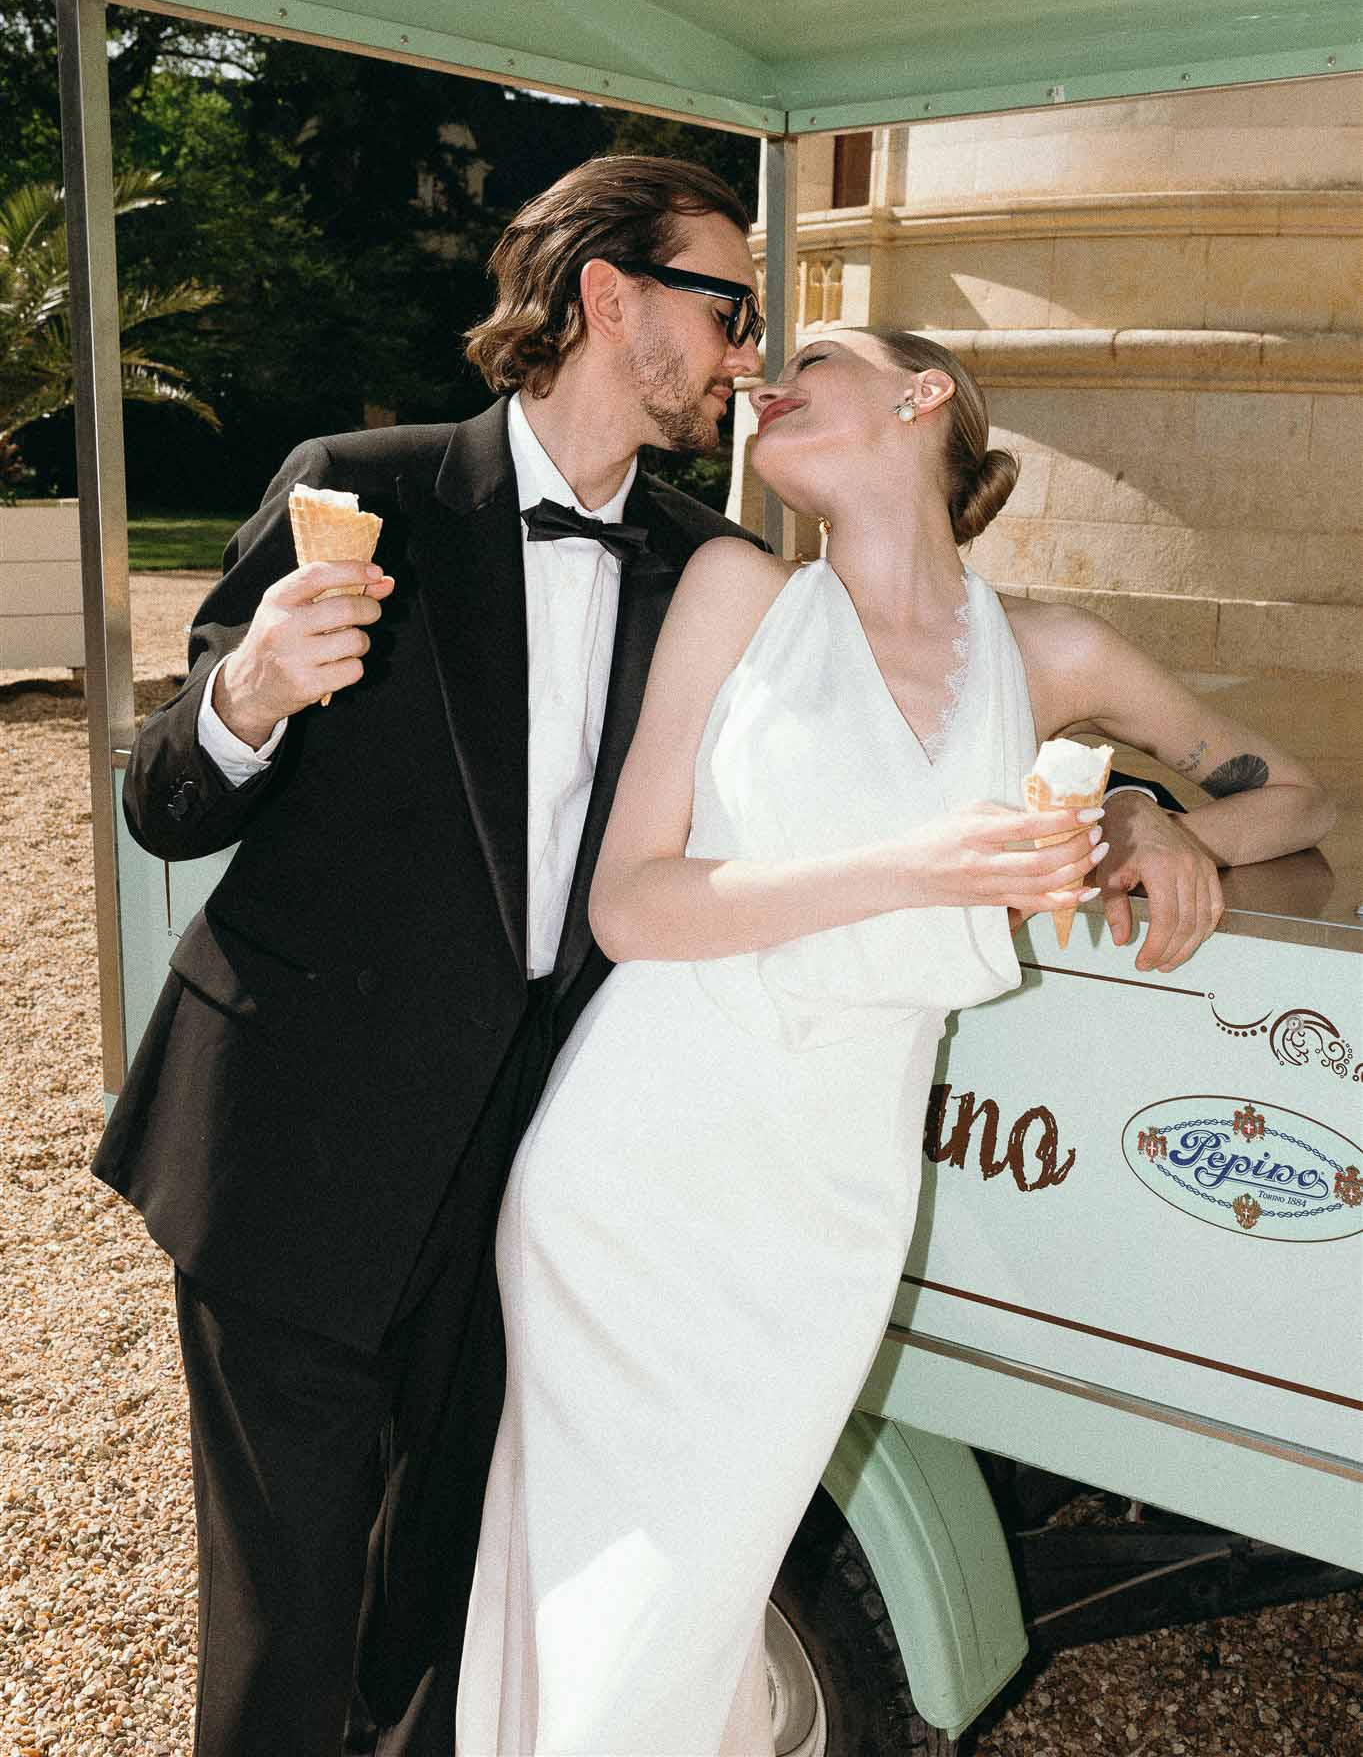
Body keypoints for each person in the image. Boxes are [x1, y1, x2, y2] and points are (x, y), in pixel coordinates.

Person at [92, 146, 1200, 1755]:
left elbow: (940, 695)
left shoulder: (705, 571)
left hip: (536, 1186)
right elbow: (163, 803)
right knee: (284, 1635)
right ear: (612, 298)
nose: (751, 354)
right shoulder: (366, 484)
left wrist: (1141, 809)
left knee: (443, 1622)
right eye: (730, 306)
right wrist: (248, 691)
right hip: (299, 1156)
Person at [455, 328, 1334, 1757]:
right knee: (625, 1606)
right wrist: (920, 868)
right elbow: (633, 902)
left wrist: (1158, 823)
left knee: (706, 1592)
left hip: (834, 1195)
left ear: (922, 398)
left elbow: (1295, 798)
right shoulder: (741, 592)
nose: (759, 378)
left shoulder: (1051, 656)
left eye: (811, 355)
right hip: (641, 1164)